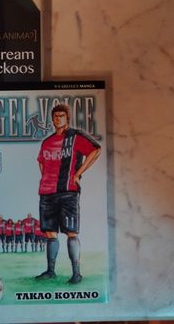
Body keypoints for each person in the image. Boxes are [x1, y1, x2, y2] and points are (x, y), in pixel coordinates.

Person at [35, 104, 101, 284]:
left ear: (67, 118)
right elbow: (41, 161)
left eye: (61, 116)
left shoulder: (75, 136)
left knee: (71, 232)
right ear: (52, 119)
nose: (58, 119)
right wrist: (46, 178)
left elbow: (96, 150)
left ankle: (76, 273)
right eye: (55, 116)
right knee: (50, 233)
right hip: (47, 193)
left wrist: (78, 174)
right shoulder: (47, 142)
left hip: (68, 192)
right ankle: (50, 271)